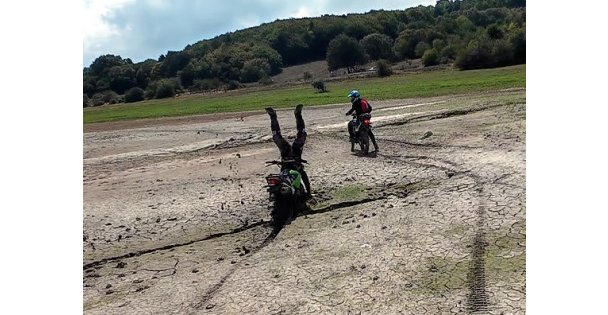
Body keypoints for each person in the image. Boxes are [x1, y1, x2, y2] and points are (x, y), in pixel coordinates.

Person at [265, 104, 312, 198]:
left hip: (292, 161)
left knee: (300, 134)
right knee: (278, 136)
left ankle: (296, 115)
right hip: (289, 162)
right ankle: (273, 116)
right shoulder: (289, 149)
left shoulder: (289, 149)